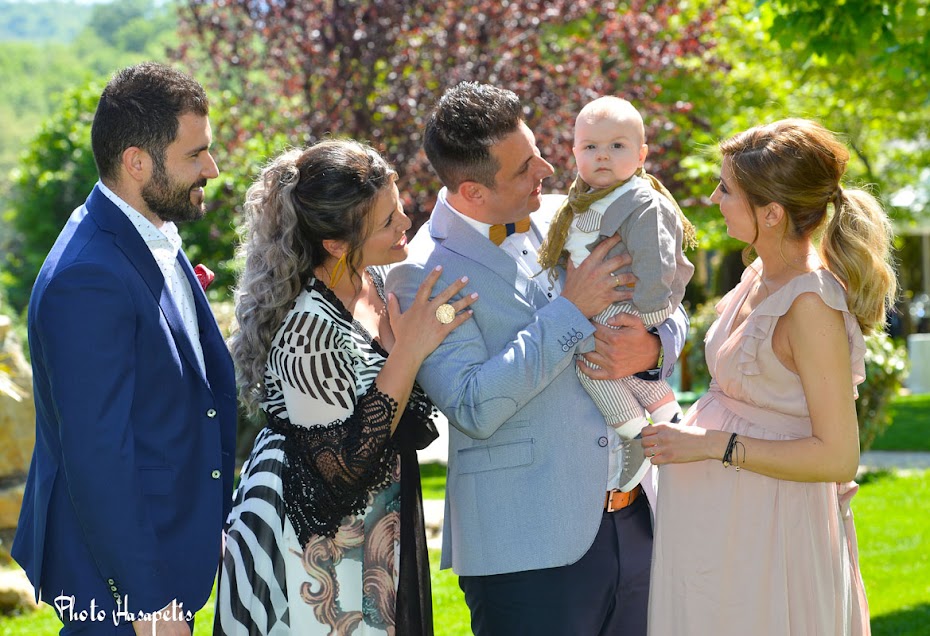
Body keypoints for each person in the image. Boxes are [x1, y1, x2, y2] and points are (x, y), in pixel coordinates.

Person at [385, 82, 689, 635]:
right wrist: (571, 310)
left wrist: (652, 346)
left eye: (540, 153)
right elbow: (473, 406)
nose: (548, 170)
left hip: (637, 522)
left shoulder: (575, 214)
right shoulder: (422, 273)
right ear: (473, 191)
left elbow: (663, 293)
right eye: (526, 167)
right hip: (528, 549)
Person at [643, 118, 895, 635]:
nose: (714, 199)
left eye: (726, 189)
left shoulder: (810, 304)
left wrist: (710, 445)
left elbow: (838, 456)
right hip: (721, 532)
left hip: (770, 534)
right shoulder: (758, 275)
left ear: (772, 213)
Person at [215, 139, 475, 635]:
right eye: (387, 221)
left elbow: (400, 410)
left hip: (374, 528)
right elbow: (344, 468)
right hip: (311, 553)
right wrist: (408, 351)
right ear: (335, 243)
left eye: (399, 207)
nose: (406, 222)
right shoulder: (306, 331)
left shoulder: (374, 280)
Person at [12, 62, 237, 635]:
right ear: (138, 162)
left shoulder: (149, 233)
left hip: (167, 545)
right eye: (195, 154)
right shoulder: (87, 277)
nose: (211, 168)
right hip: (117, 583)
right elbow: (97, 458)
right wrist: (148, 604)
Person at [538, 96, 696, 492]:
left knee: (591, 362)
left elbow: (658, 261)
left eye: (617, 146)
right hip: (607, 302)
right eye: (590, 146)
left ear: (641, 155)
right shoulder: (576, 203)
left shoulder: (641, 202)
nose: (603, 155)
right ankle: (668, 416)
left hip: (632, 304)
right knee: (619, 365)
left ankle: (634, 434)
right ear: (574, 153)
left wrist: (650, 316)